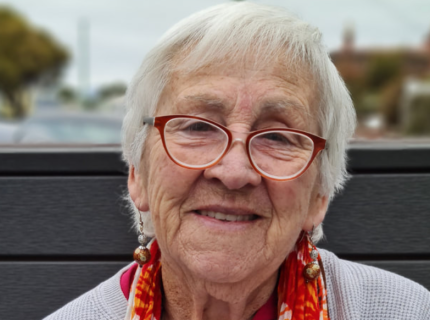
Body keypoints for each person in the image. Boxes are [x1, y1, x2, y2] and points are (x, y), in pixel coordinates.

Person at [45, 3, 430, 319]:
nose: (234, 172)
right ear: (138, 173)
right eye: (197, 127)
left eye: (278, 136)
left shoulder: (405, 312)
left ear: (320, 195)